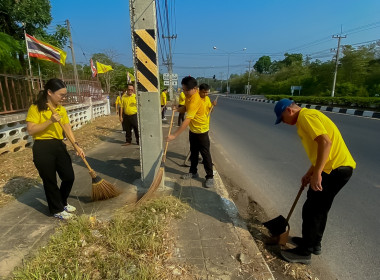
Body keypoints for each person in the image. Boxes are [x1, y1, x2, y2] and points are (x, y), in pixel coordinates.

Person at [274, 98, 356, 264]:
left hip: (333, 170)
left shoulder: (306, 117)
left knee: (312, 210)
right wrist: (309, 173)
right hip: (340, 169)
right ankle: (314, 243)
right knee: (320, 208)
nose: (283, 122)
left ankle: (305, 252)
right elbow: (320, 151)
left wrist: (317, 173)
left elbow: (326, 143)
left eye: (282, 118)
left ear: (289, 111)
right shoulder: (310, 115)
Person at [26, 78, 85, 220]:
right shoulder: (35, 108)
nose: (63, 98)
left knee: (69, 176)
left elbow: (67, 128)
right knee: (50, 180)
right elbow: (31, 130)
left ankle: (62, 202)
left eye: (65, 95)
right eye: (61, 95)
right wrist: (50, 121)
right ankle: (56, 209)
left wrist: (76, 144)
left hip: (59, 145)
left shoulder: (61, 109)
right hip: (43, 147)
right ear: (50, 92)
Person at [167, 76, 214, 188]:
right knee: (193, 153)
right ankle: (193, 172)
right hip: (193, 130)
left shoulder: (196, 99)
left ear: (195, 88)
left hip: (201, 130)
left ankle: (210, 177)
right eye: (183, 89)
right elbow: (185, 108)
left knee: (205, 154)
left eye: (186, 90)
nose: (184, 92)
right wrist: (177, 109)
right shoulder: (189, 96)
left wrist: (174, 135)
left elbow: (187, 120)